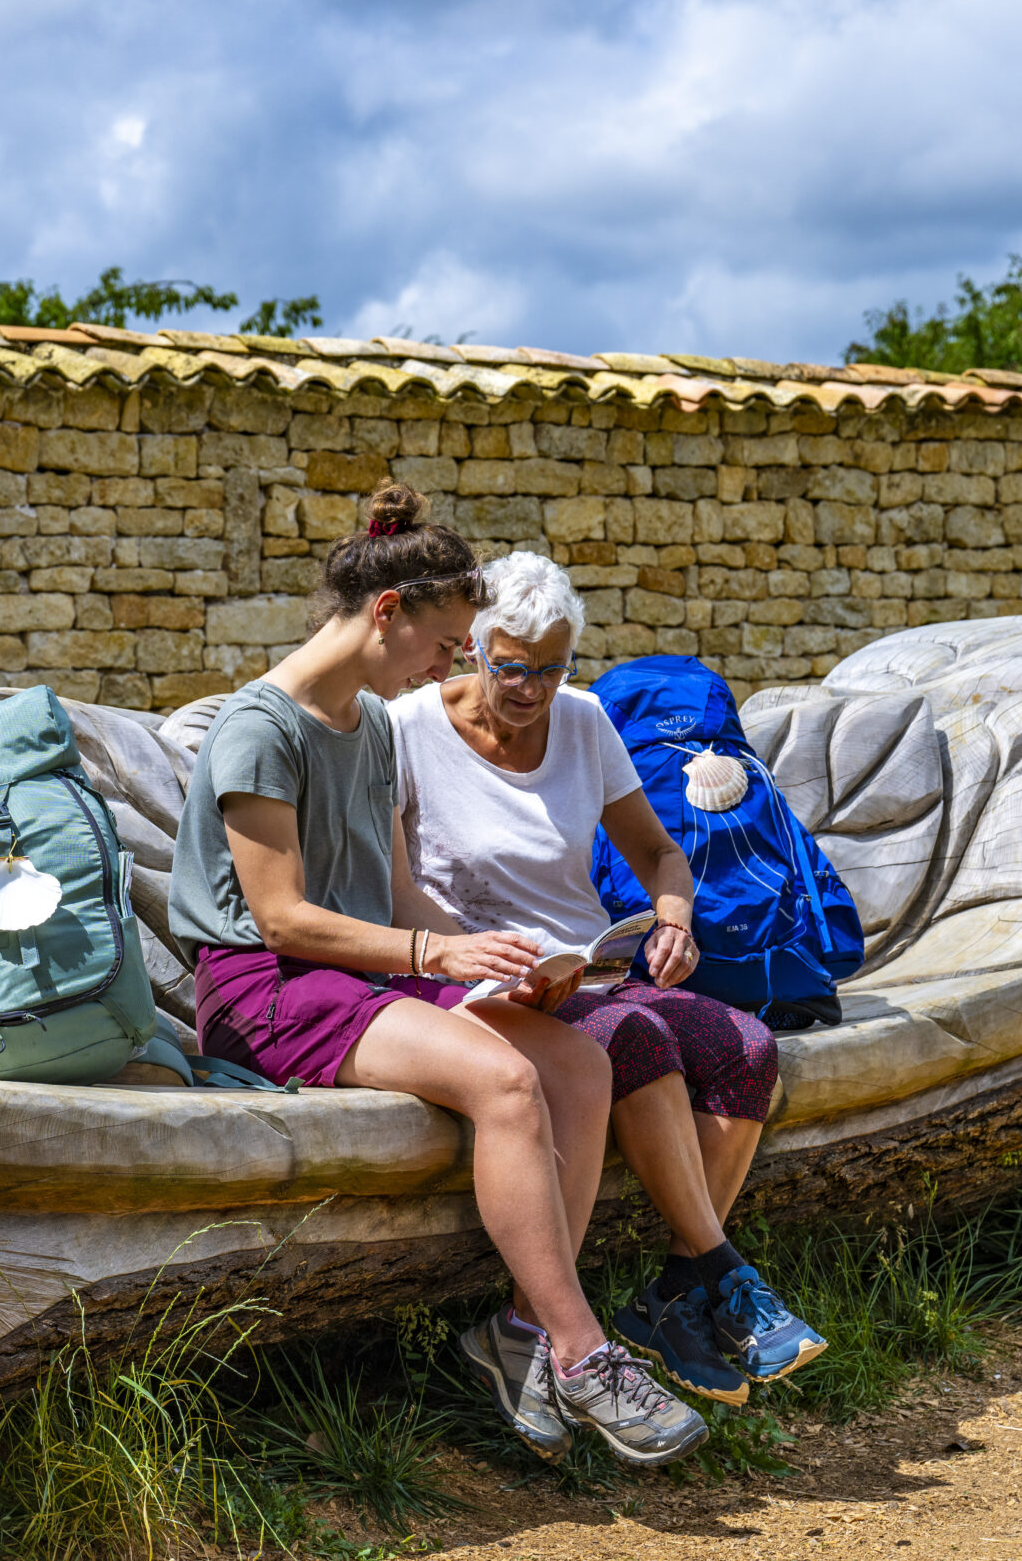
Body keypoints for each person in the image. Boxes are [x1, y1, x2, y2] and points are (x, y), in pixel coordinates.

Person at [169, 484, 707, 1467]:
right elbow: (279, 916)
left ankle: (517, 1333)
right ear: (387, 614)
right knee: (503, 1080)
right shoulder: (260, 729)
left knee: (580, 1064)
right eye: (449, 642)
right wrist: (435, 957)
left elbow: (397, 895)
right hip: (267, 991)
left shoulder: (372, 728)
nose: (452, 665)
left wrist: (491, 962)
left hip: (365, 979)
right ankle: (583, 1350)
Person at [390, 550, 825, 1409]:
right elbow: (386, 883)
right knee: (638, 1036)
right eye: (512, 665)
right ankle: (717, 1270)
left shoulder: (585, 721)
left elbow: (661, 852)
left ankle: (674, 1286)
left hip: (586, 968)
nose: (531, 687)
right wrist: (459, 952)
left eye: (552, 667)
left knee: (747, 1047)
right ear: (473, 644)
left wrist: (672, 920)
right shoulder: (406, 728)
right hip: (474, 983)